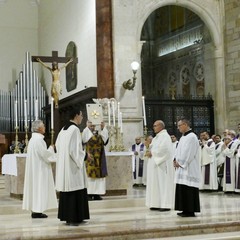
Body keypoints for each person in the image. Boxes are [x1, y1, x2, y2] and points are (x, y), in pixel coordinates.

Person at [55, 107, 91, 226]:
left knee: (68, 190)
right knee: (76, 188)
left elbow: (57, 145)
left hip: (65, 166)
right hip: (73, 167)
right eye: (81, 115)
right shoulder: (74, 129)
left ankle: (67, 216)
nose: (82, 117)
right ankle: (75, 217)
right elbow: (74, 150)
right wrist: (85, 155)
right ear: (76, 115)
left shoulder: (63, 129)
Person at [22, 120, 57, 218]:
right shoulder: (38, 140)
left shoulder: (33, 140)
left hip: (36, 169)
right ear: (39, 128)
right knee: (39, 188)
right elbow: (45, 155)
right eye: (43, 126)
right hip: (40, 170)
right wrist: (51, 148)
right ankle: (37, 211)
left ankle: (36, 210)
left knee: (36, 189)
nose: (45, 127)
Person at [174, 118, 200, 217]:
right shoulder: (183, 137)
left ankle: (190, 210)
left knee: (189, 188)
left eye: (179, 125)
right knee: (182, 188)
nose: (178, 128)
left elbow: (189, 152)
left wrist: (179, 162)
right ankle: (185, 209)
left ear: (185, 125)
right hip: (182, 167)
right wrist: (175, 159)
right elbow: (178, 150)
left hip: (189, 167)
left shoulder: (192, 137)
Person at [145, 120, 174, 211]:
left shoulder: (165, 136)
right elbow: (153, 148)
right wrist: (148, 148)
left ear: (161, 126)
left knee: (163, 184)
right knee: (155, 184)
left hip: (162, 164)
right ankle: (155, 203)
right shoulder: (156, 137)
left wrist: (152, 152)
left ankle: (165, 204)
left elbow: (165, 149)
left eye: (155, 126)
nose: (153, 127)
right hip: (155, 165)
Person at [82, 121, 108, 200]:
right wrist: (87, 127)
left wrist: (103, 128)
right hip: (90, 158)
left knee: (99, 177)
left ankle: (97, 194)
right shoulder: (86, 133)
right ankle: (89, 193)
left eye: (94, 125)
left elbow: (105, 140)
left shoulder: (99, 134)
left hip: (99, 158)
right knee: (89, 177)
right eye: (91, 125)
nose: (93, 127)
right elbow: (83, 139)